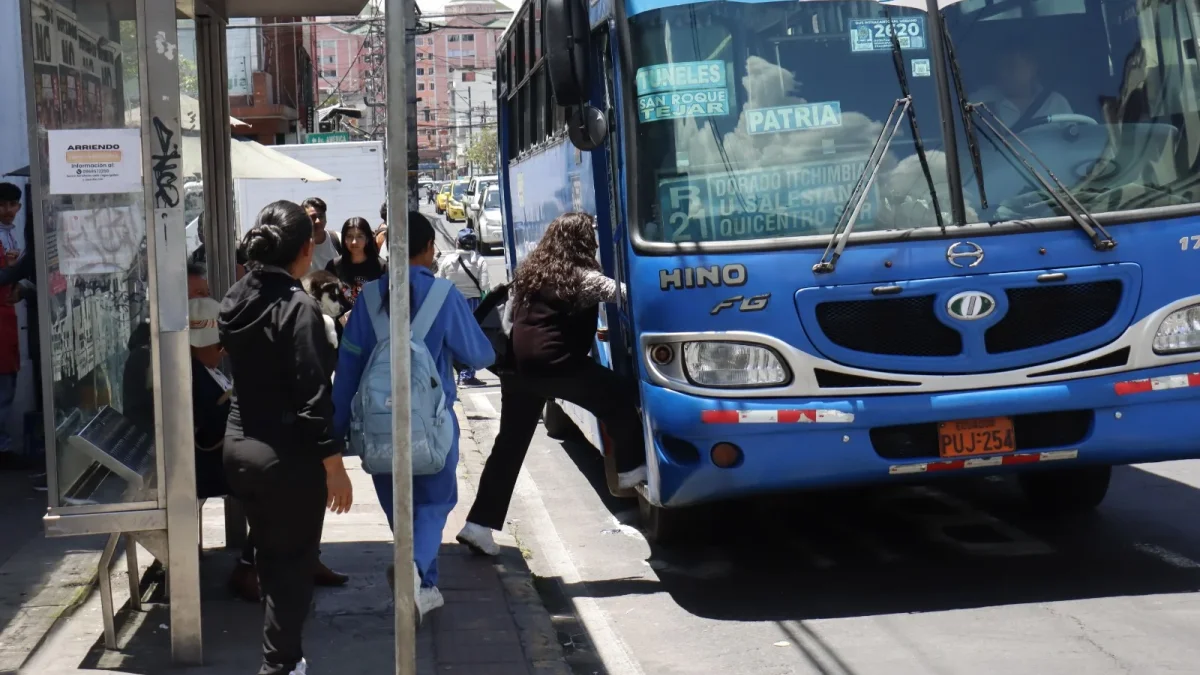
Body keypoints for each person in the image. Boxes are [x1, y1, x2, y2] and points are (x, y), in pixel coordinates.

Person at [332, 211, 493, 620]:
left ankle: (423, 588)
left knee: (400, 514)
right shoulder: (443, 294)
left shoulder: (369, 297)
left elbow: (347, 371)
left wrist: (336, 435)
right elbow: (480, 354)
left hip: (378, 428)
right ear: (428, 248)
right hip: (432, 425)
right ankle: (416, 570)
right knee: (435, 503)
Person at [455, 212, 646, 556]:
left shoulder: (530, 273)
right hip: (558, 364)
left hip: (517, 369)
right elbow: (625, 294)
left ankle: (477, 526)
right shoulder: (582, 278)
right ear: (582, 242)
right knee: (617, 396)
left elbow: (511, 318)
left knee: (508, 448)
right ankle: (631, 469)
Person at [220, 200, 354, 675]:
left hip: (239, 447)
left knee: (271, 556)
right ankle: (280, 665)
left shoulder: (235, 297)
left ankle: (284, 659)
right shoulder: (298, 308)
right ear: (305, 250)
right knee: (292, 566)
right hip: (285, 454)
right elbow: (314, 398)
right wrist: (334, 467)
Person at [970, 41, 1071, 128]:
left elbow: (1074, 138)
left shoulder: (1056, 102)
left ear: (1032, 67)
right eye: (1000, 67)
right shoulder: (981, 101)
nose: (1003, 73)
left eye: (1011, 66)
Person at [435, 228, 489, 386]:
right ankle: (467, 375)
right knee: (470, 340)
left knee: (454, 339)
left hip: (452, 303)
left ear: (457, 242)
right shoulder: (479, 261)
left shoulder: (447, 261)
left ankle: (457, 373)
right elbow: (485, 285)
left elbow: (441, 282)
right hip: (473, 305)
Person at [0, 183, 23, 467]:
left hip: (7, 317)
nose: (7, 210)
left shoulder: (11, 234)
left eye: (12, 204)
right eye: (2, 205)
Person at [326, 216, 386, 308]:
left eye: (359, 236)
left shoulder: (382, 267)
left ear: (367, 239)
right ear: (344, 239)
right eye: (349, 236)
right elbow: (327, 300)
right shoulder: (333, 266)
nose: (354, 242)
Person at [301, 197, 342, 273]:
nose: (318, 221)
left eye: (321, 216)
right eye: (312, 217)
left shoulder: (339, 239)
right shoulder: (298, 246)